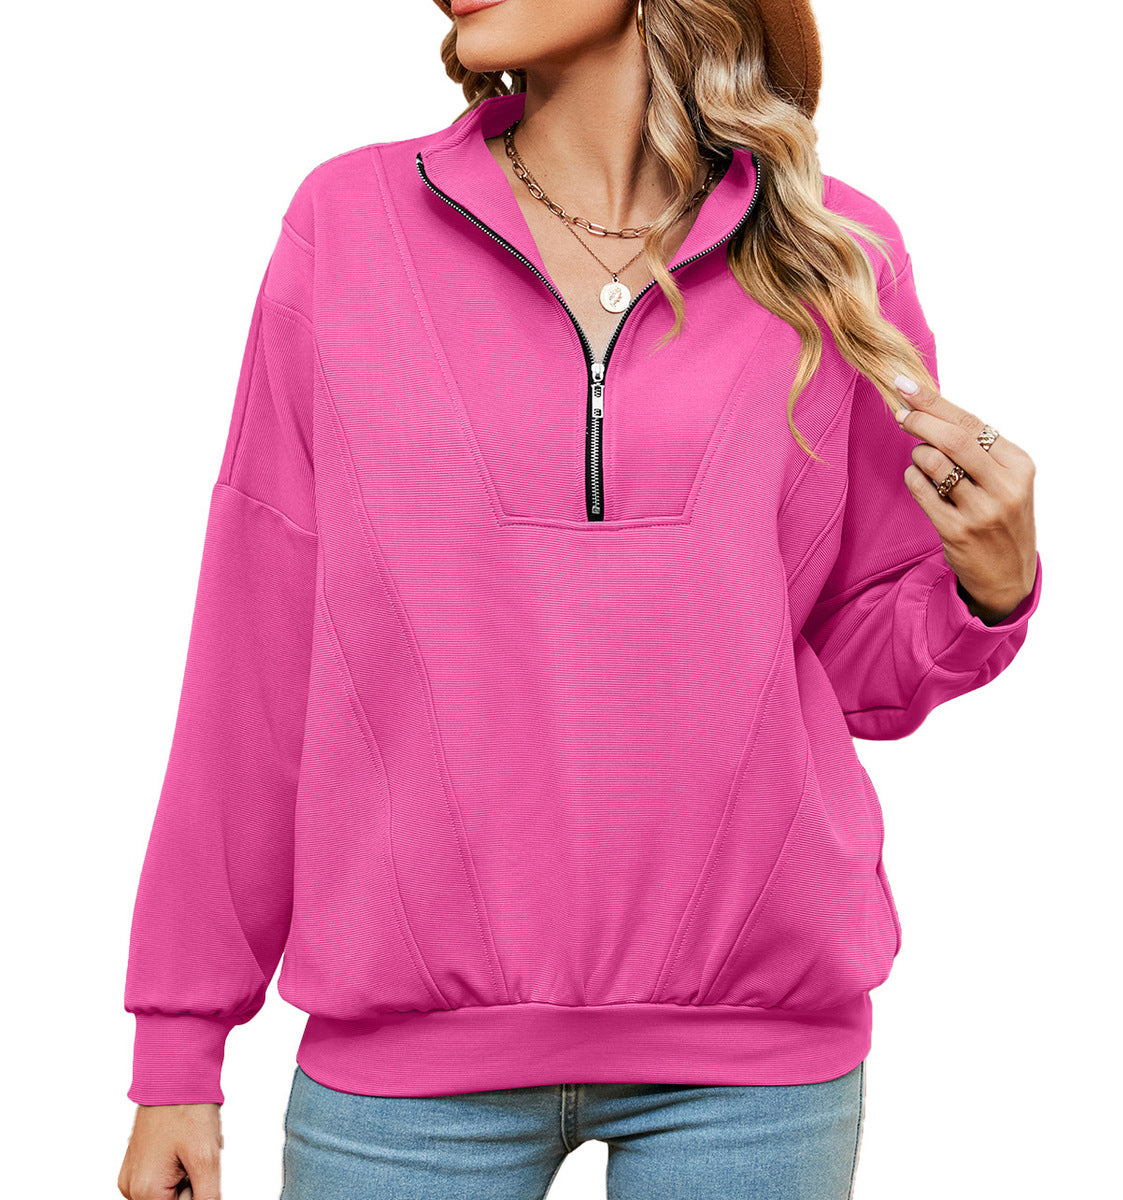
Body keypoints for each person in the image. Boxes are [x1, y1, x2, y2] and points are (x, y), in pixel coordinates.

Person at [117, 0, 1043, 1197]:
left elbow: (854, 670)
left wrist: (986, 585)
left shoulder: (830, 248)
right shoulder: (349, 223)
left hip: (753, 1067)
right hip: (408, 1068)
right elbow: (255, 642)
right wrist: (179, 1042)